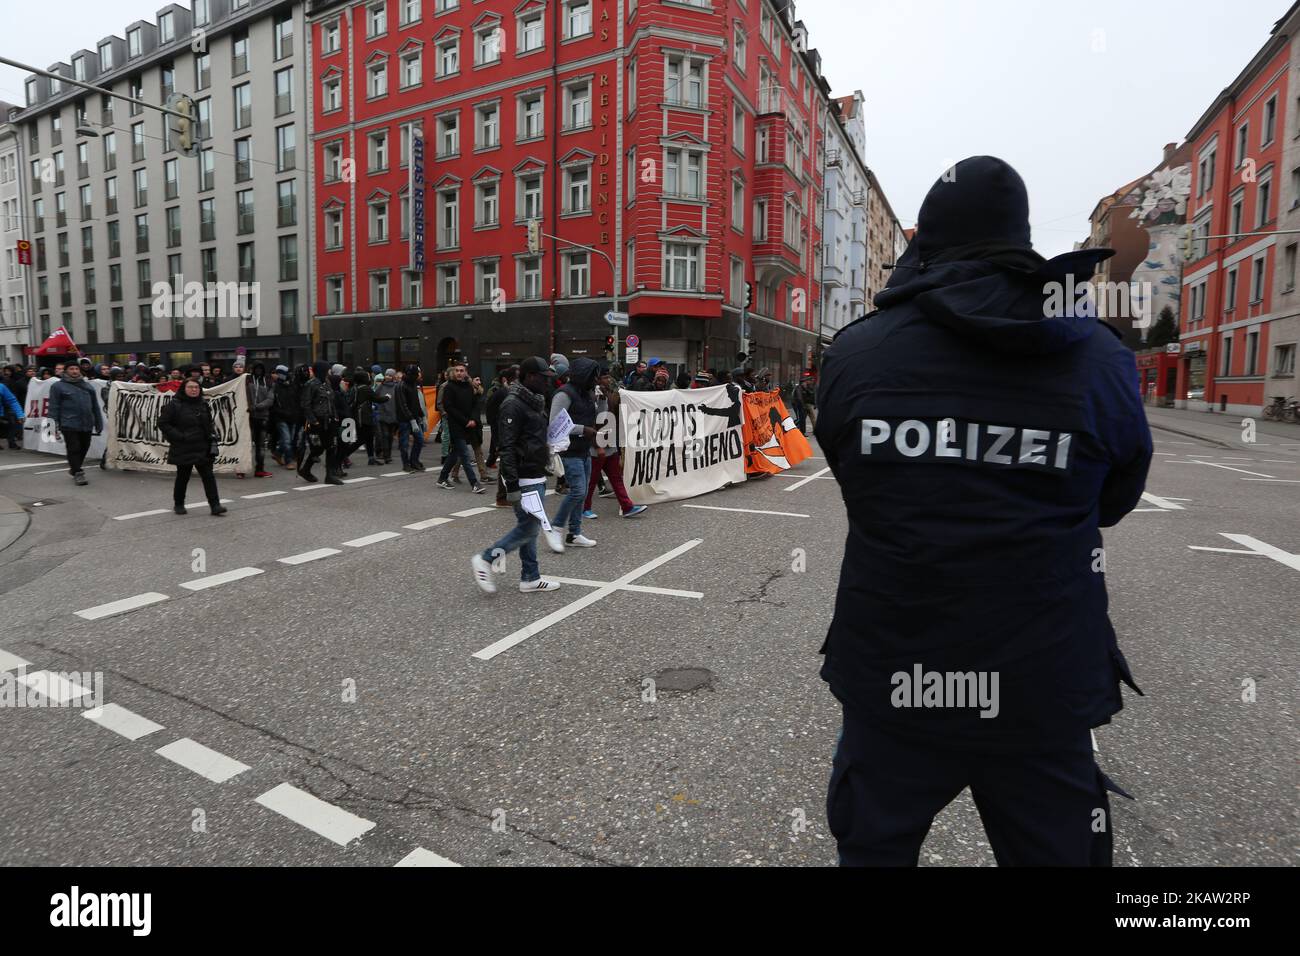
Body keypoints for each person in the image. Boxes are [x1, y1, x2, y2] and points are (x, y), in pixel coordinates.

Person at [815, 156, 1152, 868]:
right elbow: (1115, 501)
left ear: (925, 238)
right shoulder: (1100, 358)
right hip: (1042, 685)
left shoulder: (856, 354)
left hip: (894, 675)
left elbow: (855, 479)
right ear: (1020, 236)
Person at [470, 356, 563, 595]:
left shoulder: (533, 401)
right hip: (523, 477)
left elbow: (532, 437)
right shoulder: (513, 404)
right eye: (544, 378)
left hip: (535, 473)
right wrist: (511, 485)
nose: (547, 383)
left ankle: (530, 578)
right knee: (530, 529)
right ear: (530, 376)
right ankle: (486, 559)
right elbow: (507, 446)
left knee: (528, 526)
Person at [549, 356, 600, 547]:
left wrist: (599, 403)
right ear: (583, 376)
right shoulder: (564, 394)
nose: (596, 380)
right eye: (593, 376)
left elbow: (592, 415)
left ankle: (574, 534)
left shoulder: (587, 394)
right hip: (568, 450)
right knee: (578, 491)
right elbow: (554, 424)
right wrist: (583, 430)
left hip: (583, 449)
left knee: (583, 492)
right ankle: (556, 528)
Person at [583, 367, 647, 520]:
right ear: (598, 380)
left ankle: (627, 507)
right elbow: (593, 422)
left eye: (609, 377)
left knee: (616, 477)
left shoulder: (610, 393)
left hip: (610, 442)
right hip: (598, 443)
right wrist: (598, 446)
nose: (608, 380)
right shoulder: (593, 395)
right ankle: (584, 508)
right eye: (605, 377)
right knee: (591, 479)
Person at [159, 378, 227, 516]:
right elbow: (163, 423)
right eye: (190, 387)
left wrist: (212, 437)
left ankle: (215, 505)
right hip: (183, 447)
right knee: (183, 477)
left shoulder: (203, 404)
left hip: (203, 446)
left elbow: (208, 423)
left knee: (208, 476)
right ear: (184, 388)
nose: (194, 390)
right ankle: (179, 504)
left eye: (196, 387)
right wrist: (179, 436)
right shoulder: (174, 405)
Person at [48, 363, 103, 486]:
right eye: (71, 369)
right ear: (66, 371)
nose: (74, 371)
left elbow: (95, 406)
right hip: (68, 422)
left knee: (84, 446)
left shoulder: (87, 386)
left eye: (76, 369)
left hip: (87, 422)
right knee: (74, 448)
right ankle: (78, 472)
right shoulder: (57, 386)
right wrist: (51, 427)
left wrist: (99, 422)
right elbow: (53, 407)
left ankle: (74, 468)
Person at [436, 363, 484, 492]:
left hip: (468, 425)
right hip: (456, 425)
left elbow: (475, 404)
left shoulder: (468, 387)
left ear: (465, 372)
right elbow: (449, 407)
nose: (458, 373)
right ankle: (475, 483)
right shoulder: (449, 387)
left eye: (461, 371)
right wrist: (465, 421)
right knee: (464, 454)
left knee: (455, 454)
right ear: (453, 373)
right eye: (456, 370)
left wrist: (473, 419)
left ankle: (442, 478)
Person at [299, 360, 342, 484]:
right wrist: (314, 422)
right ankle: (305, 469)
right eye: (328, 369)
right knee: (318, 449)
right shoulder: (311, 384)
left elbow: (331, 401)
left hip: (329, 420)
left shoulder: (326, 383)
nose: (329, 372)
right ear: (322, 370)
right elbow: (305, 405)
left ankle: (330, 476)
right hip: (317, 421)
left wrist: (335, 416)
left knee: (331, 447)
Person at [395, 363, 427, 471]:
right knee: (404, 443)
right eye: (415, 374)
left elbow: (416, 402)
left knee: (420, 440)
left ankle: (414, 461)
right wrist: (412, 419)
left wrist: (422, 416)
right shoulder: (401, 386)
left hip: (413, 418)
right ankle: (406, 464)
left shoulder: (413, 384)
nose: (417, 376)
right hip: (404, 420)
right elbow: (402, 405)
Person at [246, 362, 275, 478]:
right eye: (256, 368)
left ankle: (260, 469)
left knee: (260, 445)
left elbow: (270, 399)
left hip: (262, 417)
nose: (258, 371)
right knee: (245, 444)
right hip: (248, 417)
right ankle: (241, 468)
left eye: (260, 369)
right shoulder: (247, 381)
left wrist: (256, 406)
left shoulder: (268, 382)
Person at [375, 368, 400, 465]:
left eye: (390, 375)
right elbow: (375, 396)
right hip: (383, 414)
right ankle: (386, 456)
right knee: (385, 435)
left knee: (390, 436)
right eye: (387, 375)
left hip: (394, 414)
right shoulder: (381, 386)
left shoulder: (397, 387)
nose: (388, 377)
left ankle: (388, 454)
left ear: (393, 377)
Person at [0, 377, 24, 450]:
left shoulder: (1, 387)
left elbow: (12, 401)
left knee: (14, 424)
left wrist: (20, 414)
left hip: (1, 414)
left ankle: (11, 442)